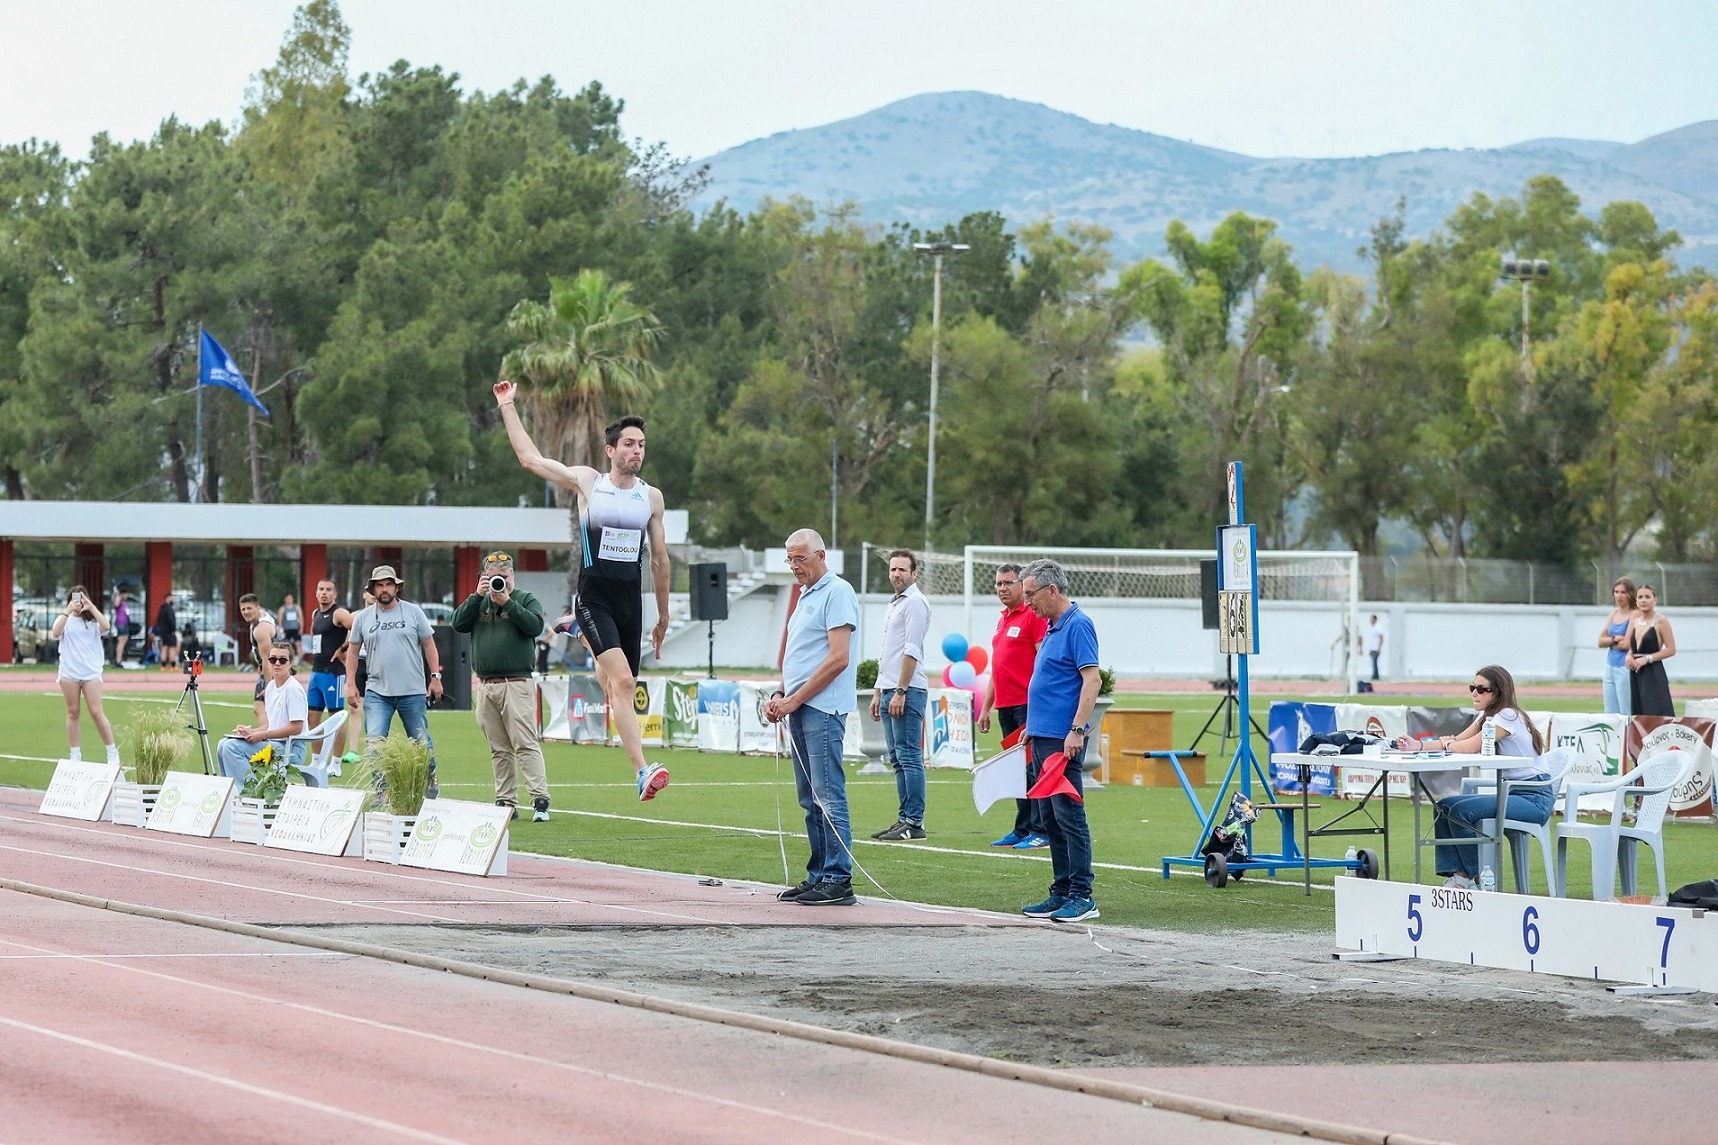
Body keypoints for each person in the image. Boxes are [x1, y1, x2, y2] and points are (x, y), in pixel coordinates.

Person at [493, 379, 671, 801]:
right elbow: (530, 459)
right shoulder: (590, 483)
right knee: (625, 684)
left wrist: (663, 617)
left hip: (631, 602)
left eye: (642, 445)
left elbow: (661, 562)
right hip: (594, 597)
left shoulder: (652, 499)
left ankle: (584, 637)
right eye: (629, 444)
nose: (637, 451)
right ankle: (642, 771)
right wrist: (507, 406)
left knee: (612, 685)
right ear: (611, 450)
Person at [766, 529, 860, 906]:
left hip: (822, 708)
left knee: (827, 795)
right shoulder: (806, 596)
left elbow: (839, 658)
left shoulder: (837, 592)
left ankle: (838, 877)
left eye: (800, 559)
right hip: (801, 706)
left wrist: (795, 699)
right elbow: (800, 656)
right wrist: (780, 694)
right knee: (809, 799)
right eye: (789, 559)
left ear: (821, 556)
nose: (794, 567)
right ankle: (819, 872)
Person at [1393, 665, 1550, 890]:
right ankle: (1460, 876)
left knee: (1460, 811)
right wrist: (1417, 745)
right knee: (1443, 806)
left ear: (1497, 693)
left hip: (1533, 799)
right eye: (1472, 687)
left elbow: (1467, 747)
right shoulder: (1487, 718)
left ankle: (1478, 879)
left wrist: (1450, 744)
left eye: (1481, 689)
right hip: (1513, 793)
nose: (1474, 693)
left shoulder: (1506, 715)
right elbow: (1455, 741)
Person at [1018, 559, 1100, 923]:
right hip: (1043, 737)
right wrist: (1033, 727)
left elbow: (1092, 680)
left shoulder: (1078, 625)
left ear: (1052, 590)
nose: (1028, 603)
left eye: (1031, 595)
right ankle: (1062, 890)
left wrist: (1077, 730)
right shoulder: (1052, 627)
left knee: (1069, 816)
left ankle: (1083, 895)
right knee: (1049, 817)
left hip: (1062, 741)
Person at [452, 551, 551, 822]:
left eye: (504, 576)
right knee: (498, 747)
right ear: (485, 577)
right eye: (494, 577)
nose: (500, 582)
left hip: (516, 682)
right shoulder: (478, 601)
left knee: (524, 742)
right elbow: (457, 623)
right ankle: (506, 801)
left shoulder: (524, 599)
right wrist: (476, 595)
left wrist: (506, 602)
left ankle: (540, 800)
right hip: (486, 684)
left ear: (513, 576)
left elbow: (535, 626)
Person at [344, 566, 444, 799]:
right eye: (380, 585)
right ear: (373, 589)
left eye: (389, 584)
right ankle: (381, 790)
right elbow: (352, 651)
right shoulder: (362, 618)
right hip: (378, 690)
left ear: (396, 587)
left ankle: (430, 774)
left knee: (420, 740)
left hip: (412, 690)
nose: (385, 589)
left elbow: (429, 644)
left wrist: (435, 677)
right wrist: (350, 682)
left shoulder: (413, 612)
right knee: (375, 741)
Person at [978, 563, 1049, 850]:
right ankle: (1022, 829)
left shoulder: (1032, 616)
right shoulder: (1003, 619)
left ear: (1022, 585)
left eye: (1008, 583)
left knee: (1033, 769)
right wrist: (986, 707)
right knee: (1017, 772)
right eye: (998, 584)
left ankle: (1041, 830)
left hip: (1026, 704)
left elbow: (1043, 662)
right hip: (1006, 706)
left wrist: (1039, 705)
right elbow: (998, 667)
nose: (1002, 588)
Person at [869, 549, 932, 841]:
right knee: (897, 757)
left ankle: (914, 821)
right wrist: (879, 690)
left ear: (914, 574)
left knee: (909, 757)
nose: (896, 574)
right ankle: (903, 817)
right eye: (893, 569)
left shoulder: (915, 603)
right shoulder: (894, 604)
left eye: (902, 570)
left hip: (907, 690)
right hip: (890, 688)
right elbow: (889, 652)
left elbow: (911, 649)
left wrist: (901, 691)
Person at [217, 641, 310, 784]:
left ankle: (249, 793)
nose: (277, 663)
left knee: (231, 747)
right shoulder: (271, 687)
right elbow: (273, 724)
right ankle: (231, 791)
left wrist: (263, 735)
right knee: (222, 744)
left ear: (290, 663)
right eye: (273, 659)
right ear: (267, 663)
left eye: (282, 660)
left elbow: (296, 728)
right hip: (277, 744)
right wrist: (252, 732)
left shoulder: (293, 689)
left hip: (291, 750)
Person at [50, 586, 119, 765]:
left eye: (81, 599)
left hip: (91, 672)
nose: (79, 603)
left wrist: (92, 608)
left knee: (96, 711)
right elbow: (55, 633)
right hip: (69, 672)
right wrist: (68, 611)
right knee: (73, 712)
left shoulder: (93, 621)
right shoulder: (64, 619)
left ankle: (112, 752)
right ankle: (75, 754)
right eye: (75, 599)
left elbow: (106, 626)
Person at [305, 579, 357, 768]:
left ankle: (335, 763)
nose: (324, 592)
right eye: (321, 589)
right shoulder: (316, 613)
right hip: (316, 671)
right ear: (316, 593)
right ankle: (316, 760)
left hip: (333, 672)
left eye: (328, 590)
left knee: (335, 717)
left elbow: (357, 626)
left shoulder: (339, 613)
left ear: (335, 594)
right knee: (312, 718)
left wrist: (344, 647)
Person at [1627, 583, 1676, 717]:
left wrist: (1647, 659)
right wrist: (1629, 657)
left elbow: (1671, 649)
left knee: (1655, 711)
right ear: (1636, 601)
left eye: (1647, 597)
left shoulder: (1661, 621)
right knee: (1639, 713)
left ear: (1654, 600)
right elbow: (1631, 648)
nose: (1643, 600)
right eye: (1640, 597)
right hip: (1636, 672)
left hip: (1653, 672)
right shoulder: (1634, 622)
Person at [1598, 577, 1637, 717]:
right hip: (1609, 667)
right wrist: (1614, 639)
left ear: (1630, 594)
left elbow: (1627, 643)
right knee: (1610, 714)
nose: (1619, 596)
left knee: (1625, 712)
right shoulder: (1613, 613)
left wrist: (1610, 641)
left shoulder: (1635, 614)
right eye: (1616, 592)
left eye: (1623, 592)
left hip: (1624, 669)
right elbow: (1600, 641)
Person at [237, 594, 278, 724]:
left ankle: (269, 740)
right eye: (243, 609)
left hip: (274, 669)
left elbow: (267, 659)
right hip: (275, 666)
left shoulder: (260, 629)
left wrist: (270, 686)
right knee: (265, 708)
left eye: (249, 608)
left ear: (257, 607)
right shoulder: (261, 617)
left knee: (261, 707)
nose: (246, 612)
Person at [152, 595, 179, 670]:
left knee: (164, 647)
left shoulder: (162, 609)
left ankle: (163, 665)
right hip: (169, 631)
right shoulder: (169, 609)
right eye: (172, 598)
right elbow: (171, 620)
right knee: (172, 648)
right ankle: (173, 665)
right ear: (168, 599)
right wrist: (173, 629)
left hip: (163, 631)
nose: (173, 600)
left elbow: (158, 620)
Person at [106, 588, 133, 666]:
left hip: (125, 623)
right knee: (121, 641)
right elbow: (116, 604)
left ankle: (120, 658)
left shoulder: (124, 602)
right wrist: (117, 594)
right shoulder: (119, 599)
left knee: (124, 640)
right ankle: (118, 660)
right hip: (121, 623)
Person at [1365, 615, 1385, 683]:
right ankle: (1374, 675)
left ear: (1375, 619)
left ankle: (1376, 676)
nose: (1370, 621)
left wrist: (1379, 648)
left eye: (1371, 619)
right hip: (1373, 648)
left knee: (1375, 662)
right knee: (1373, 662)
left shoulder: (1378, 627)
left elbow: (1381, 638)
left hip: (1376, 648)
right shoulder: (1373, 628)